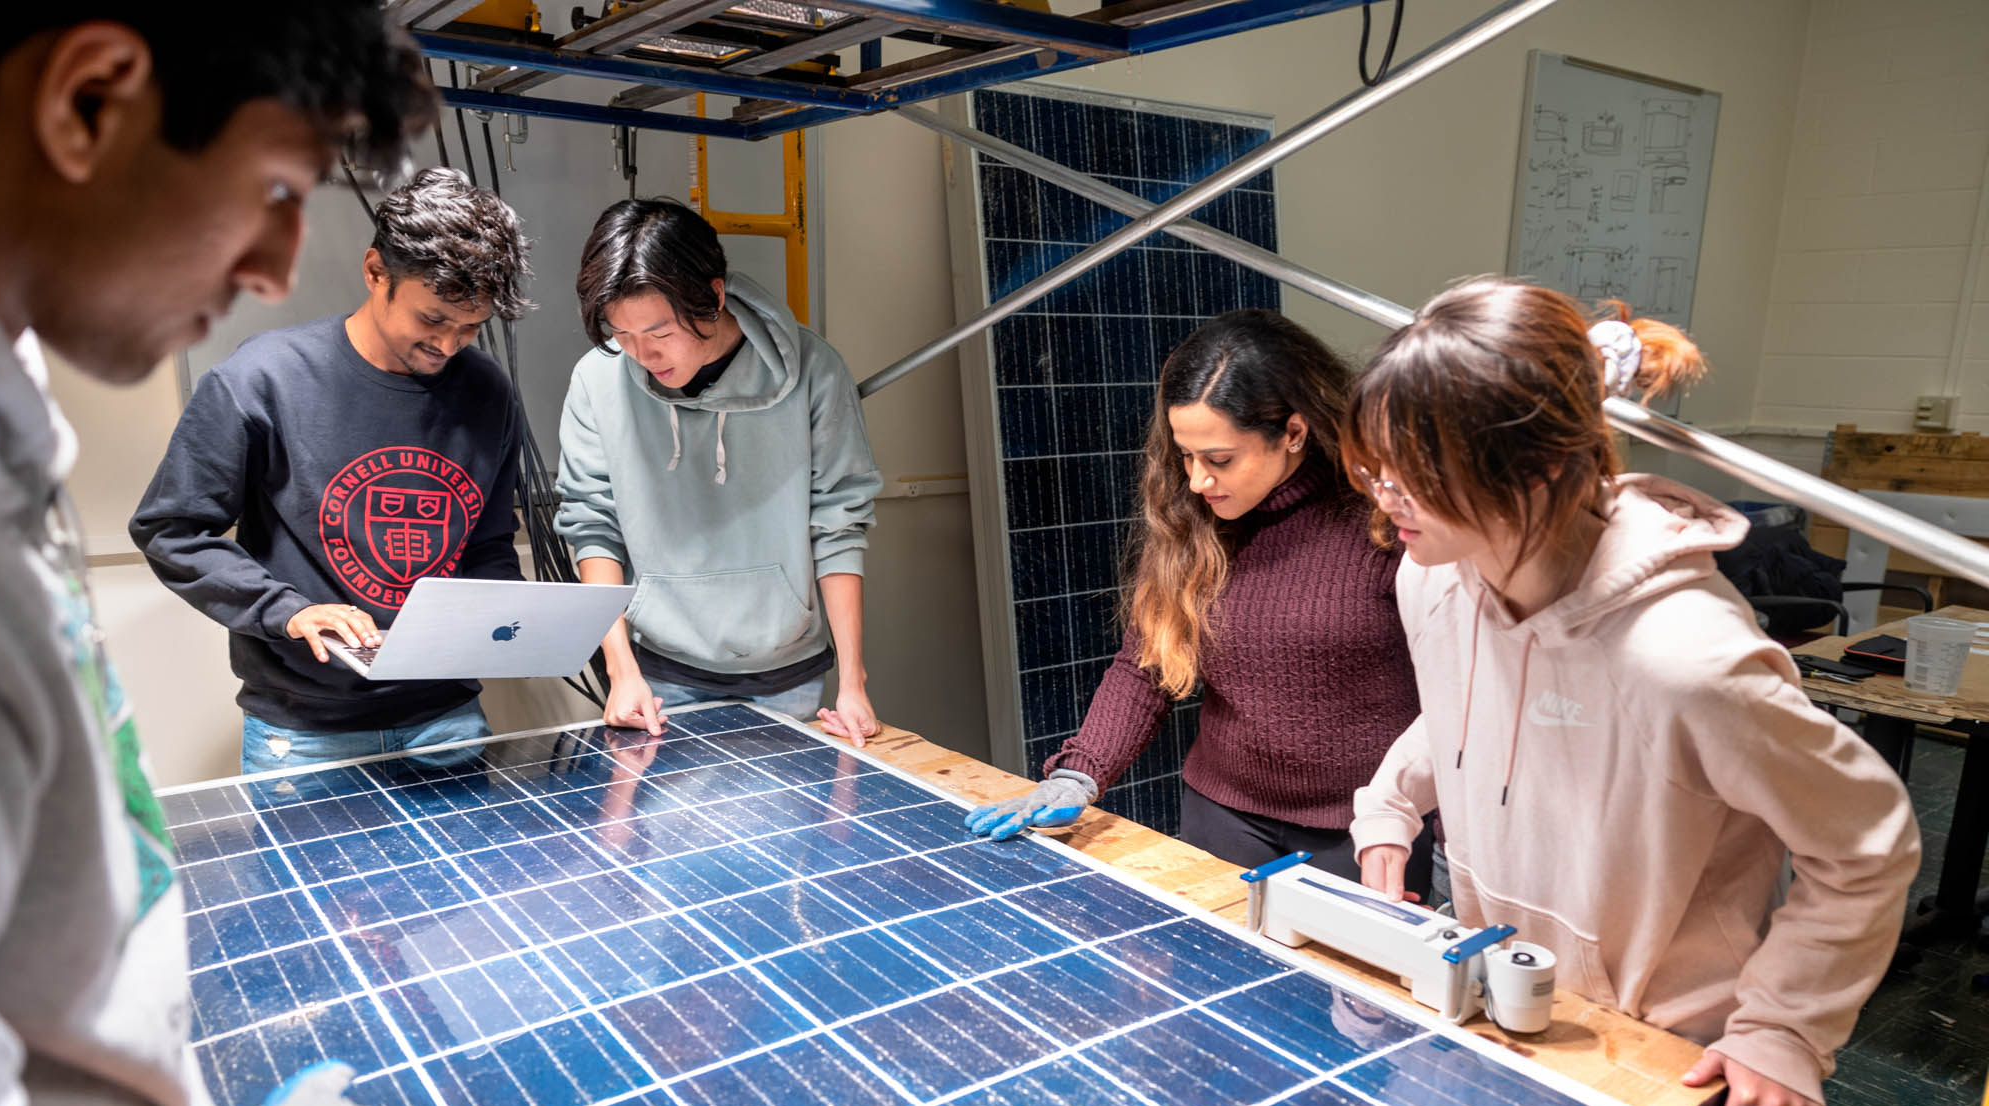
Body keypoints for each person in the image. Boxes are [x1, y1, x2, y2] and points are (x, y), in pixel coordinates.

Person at [0, 4, 427, 1106]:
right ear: (91, 102)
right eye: (279, 186)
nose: (278, 265)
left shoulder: (16, 428)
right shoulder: (257, 386)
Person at [1342, 277, 1920, 1106]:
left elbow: (1866, 840)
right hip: (1498, 996)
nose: (1385, 496)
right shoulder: (1430, 577)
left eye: (1415, 472)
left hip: (1657, 1048)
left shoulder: (1684, 659)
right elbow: (1471, 711)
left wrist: (1783, 1027)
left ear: (1534, 465)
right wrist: (1392, 803)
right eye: (1373, 466)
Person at [965, 310, 1430, 893]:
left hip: (1366, 830)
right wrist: (1079, 775)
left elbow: (1455, 697)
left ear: (1293, 432)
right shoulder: (1192, 524)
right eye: (1186, 455)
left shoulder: (1390, 525)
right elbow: (1145, 666)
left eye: (1219, 459)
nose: (1197, 481)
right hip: (1224, 814)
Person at [130, 167, 532, 774]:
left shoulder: (487, 390)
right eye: (431, 320)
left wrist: (503, 613)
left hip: (445, 720)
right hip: (308, 731)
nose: (449, 346)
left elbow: (488, 543)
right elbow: (171, 529)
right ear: (376, 273)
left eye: (470, 328)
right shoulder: (261, 380)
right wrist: (285, 609)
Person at [554, 199, 883, 745]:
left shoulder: (816, 370)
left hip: (788, 675)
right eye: (623, 335)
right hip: (660, 673)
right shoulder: (596, 379)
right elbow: (593, 525)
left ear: (712, 296)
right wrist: (621, 670)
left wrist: (853, 680)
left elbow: (839, 523)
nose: (642, 354)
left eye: (659, 333)